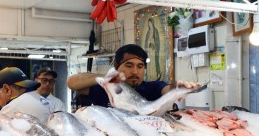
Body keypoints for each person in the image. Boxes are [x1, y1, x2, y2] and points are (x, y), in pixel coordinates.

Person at [67, 44, 200, 108]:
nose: (135, 72)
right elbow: (72, 83)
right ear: (116, 66)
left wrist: (178, 89)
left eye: (140, 66)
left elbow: (166, 89)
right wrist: (106, 78)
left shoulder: (152, 88)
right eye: (129, 65)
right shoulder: (105, 89)